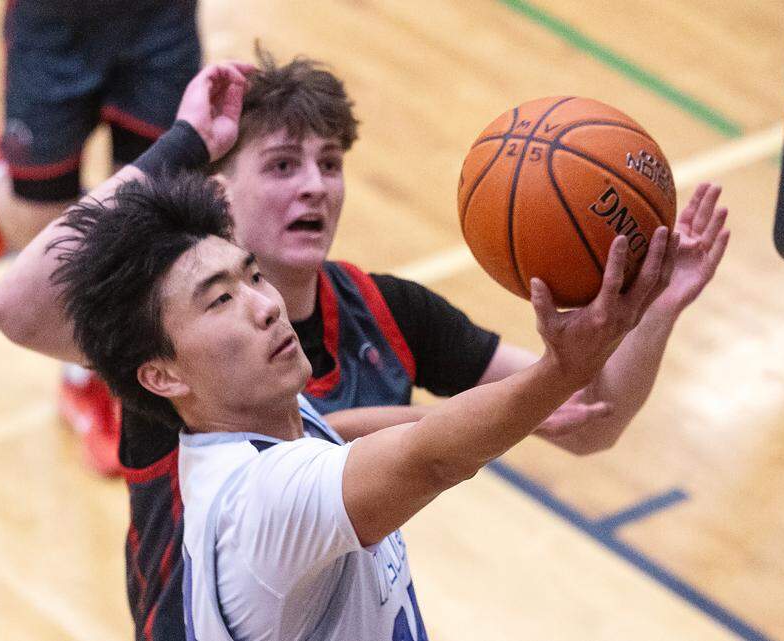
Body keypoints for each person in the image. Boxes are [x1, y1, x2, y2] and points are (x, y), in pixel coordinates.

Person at [0, 58, 730, 640]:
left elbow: (590, 416)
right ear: (218, 190)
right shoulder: (183, 354)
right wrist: (183, 143)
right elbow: (15, 307)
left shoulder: (371, 320)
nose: (314, 187)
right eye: (282, 165)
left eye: (331, 163)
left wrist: (655, 311)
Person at [47, 168, 677, 639]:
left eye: (254, 276)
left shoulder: (258, 424)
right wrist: (560, 370)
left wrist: (509, 413)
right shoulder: (261, 504)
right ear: (161, 376)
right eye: (219, 300)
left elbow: (338, 430)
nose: (265, 306)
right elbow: (431, 460)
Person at [0, 0, 202, 476]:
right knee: (42, 233)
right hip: (53, 24)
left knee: (150, 211)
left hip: (160, 18)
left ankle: (87, 372)